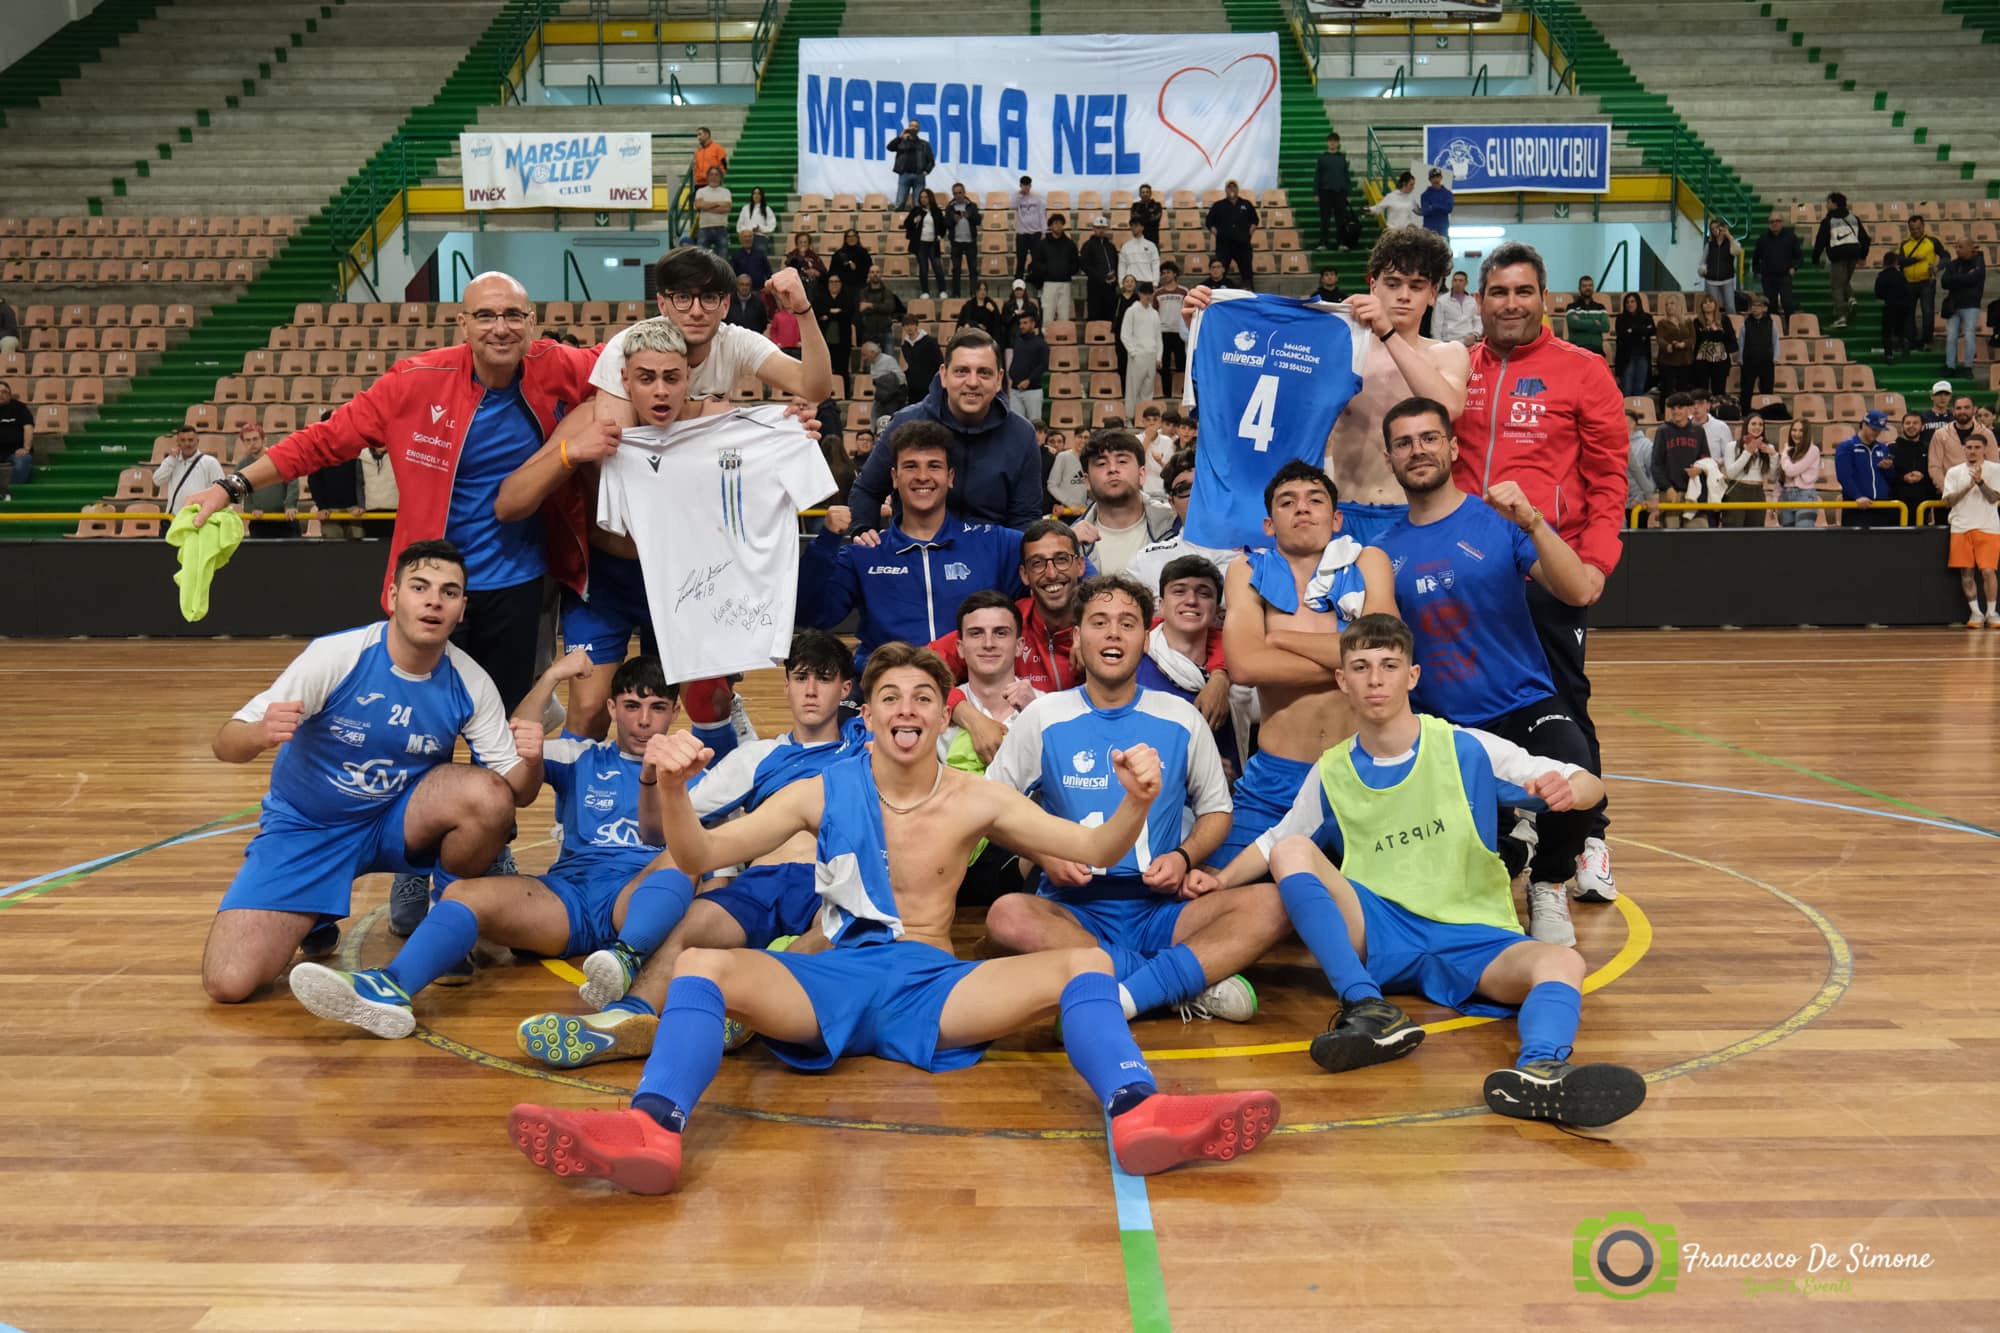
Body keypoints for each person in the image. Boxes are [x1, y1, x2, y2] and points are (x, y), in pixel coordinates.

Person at [507, 644, 1281, 1193]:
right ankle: (653, 1128)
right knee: (701, 964)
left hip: (929, 984)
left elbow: (1091, 844)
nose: (905, 710)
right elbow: (700, 849)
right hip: (833, 975)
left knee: (1087, 964)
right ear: (866, 713)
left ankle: (1139, 1114)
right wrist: (672, 789)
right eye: (888, 697)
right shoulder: (822, 786)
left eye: (920, 697)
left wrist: (1140, 801)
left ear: (941, 714)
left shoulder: (975, 795)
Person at [1256, 615, 1641, 1128]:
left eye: (1389, 666)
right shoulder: (1332, 769)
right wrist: (1204, 875)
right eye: (1362, 667)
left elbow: (1580, 779)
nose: (1376, 679)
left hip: (1473, 936)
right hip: (1381, 928)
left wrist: (1574, 791)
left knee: (1563, 964)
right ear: (1342, 680)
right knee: (1292, 852)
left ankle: (1540, 1071)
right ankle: (1369, 1010)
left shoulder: (1466, 747)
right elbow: (1274, 843)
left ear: (1412, 676)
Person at [288, 649, 692, 1037]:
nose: (643, 721)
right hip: (569, 898)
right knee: (463, 892)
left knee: (684, 859)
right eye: (631, 706)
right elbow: (516, 737)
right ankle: (391, 987)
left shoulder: (696, 765)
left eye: (657, 707)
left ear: (675, 712)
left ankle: (627, 955)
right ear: (610, 709)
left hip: (638, 893)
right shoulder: (579, 755)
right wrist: (551, 676)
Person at [200, 541, 539, 1003]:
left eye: (449, 592)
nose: (434, 601)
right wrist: (259, 733)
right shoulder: (337, 656)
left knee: (489, 797)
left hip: (399, 818)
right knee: (229, 983)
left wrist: (533, 758)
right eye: (420, 587)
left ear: (462, 610)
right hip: (309, 826)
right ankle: (315, 912)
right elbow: (226, 743)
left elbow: (516, 791)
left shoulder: (470, 680)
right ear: (393, 595)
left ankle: (442, 919)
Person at [515, 632, 864, 1067]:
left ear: (846, 690)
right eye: (801, 678)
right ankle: (626, 1017)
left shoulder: (867, 747)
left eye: (825, 679)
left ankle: (751, 1000)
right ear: (786, 686)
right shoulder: (756, 758)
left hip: (832, 881)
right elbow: (661, 832)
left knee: (839, 932)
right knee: (693, 928)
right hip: (764, 881)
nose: (811, 691)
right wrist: (656, 780)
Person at [1350, 396, 1607, 945]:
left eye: (1428, 438)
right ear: (1389, 459)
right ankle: (1510, 846)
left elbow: (1578, 588)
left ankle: (1550, 882)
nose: (1417, 450)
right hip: (1445, 722)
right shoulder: (1382, 550)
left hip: (1524, 701)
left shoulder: (1499, 521)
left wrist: (1534, 522)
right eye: (1403, 443)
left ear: (1452, 446)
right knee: (1464, 859)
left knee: (1578, 769)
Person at [984, 573, 1281, 1024]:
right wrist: (1044, 855)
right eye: (1099, 622)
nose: (1113, 634)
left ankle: (1122, 990)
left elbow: (1217, 812)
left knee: (1274, 903)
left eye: (1127, 623)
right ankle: (1177, 983)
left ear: (1147, 638)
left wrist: (1184, 857)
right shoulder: (1044, 715)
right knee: (1006, 916)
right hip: (1073, 910)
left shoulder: (1180, 716)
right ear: (1078, 639)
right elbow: (991, 807)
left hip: (1162, 907)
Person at [1455, 241, 1626, 901]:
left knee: (1565, 705)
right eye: (1498, 292)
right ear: (1480, 299)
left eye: (1523, 291)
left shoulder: (1582, 371)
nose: (1511, 303)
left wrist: (1595, 561)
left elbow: (1611, 477)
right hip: (1472, 576)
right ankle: (1502, 833)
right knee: (1472, 706)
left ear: (1544, 298)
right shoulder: (1457, 369)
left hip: (1550, 570)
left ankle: (1588, 840)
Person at [1209, 461, 1395, 872]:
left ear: (1336, 517)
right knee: (1210, 890)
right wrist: (1355, 664)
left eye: (1315, 500)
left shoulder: (1369, 562)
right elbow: (1244, 666)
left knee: (1398, 907)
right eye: (1287, 502)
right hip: (1275, 781)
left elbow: (1389, 649)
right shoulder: (1247, 570)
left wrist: (1280, 640)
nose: (1302, 509)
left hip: (1365, 772)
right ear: (1269, 524)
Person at [803, 420, 1031, 676]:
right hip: (888, 699)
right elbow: (812, 616)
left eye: (934, 466)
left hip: (973, 696)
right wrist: (826, 541)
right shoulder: (866, 553)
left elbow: (1062, 570)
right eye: (911, 466)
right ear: (894, 477)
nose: (922, 476)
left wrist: (1068, 538)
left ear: (950, 477)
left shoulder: (995, 544)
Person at [848, 328, 1043, 533]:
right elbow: (867, 490)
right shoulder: (905, 423)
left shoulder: (1022, 435)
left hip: (992, 557)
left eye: (984, 372)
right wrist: (862, 532)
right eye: (962, 371)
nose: (973, 382)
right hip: (916, 556)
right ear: (943, 375)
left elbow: (1026, 518)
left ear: (999, 380)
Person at [931, 521, 1090, 756]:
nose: (1052, 573)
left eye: (1062, 559)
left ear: (1080, 565)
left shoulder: (1103, 624)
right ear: (1024, 575)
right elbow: (918, 667)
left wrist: (1094, 637)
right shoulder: (1004, 623)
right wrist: (967, 714)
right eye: (1038, 563)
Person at [1137, 553, 1240, 773]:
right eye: (1179, 591)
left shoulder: (1241, 678)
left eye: (1204, 593)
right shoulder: (1132, 661)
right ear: (1161, 606)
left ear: (1217, 612)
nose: (1191, 600)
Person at [1070, 429, 1178, 576]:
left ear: (1142, 474)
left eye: (1122, 461)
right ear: (1087, 481)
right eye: (1101, 463)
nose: (1112, 469)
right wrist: (1067, 547)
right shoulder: (1070, 541)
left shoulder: (1175, 526)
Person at [1942, 435, 2000, 626]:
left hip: (1988, 526)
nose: (1972, 451)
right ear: (1963, 449)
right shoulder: (1953, 472)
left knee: (1988, 571)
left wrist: (1981, 483)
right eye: (1969, 447)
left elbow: (1994, 498)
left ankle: (1992, 613)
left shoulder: (1996, 469)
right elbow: (1949, 501)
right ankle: (1975, 612)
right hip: (1960, 526)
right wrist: (1969, 486)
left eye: (1977, 447)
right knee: (1966, 573)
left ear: (1985, 449)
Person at [1926, 394, 1998, 513]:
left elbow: (1994, 465)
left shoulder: (1987, 434)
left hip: (1981, 497)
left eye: (1966, 407)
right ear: (1953, 411)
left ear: (1974, 409)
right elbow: (1934, 467)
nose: (1962, 411)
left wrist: (1986, 489)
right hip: (1951, 499)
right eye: (1959, 408)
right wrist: (1947, 492)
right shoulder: (1940, 434)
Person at [1812, 192, 1871, 329]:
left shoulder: (1829, 221)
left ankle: (1841, 316)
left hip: (1838, 255)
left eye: (1828, 202)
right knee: (1844, 280)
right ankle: (1851, 299)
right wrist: (1863, 256)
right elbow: (1866, 239)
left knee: (1837, 286)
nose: (1826, 205)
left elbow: (1820, 241)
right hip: (1854, 254)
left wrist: (1815, 258)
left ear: (1834, 203)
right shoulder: (1854, 218)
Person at [229, 422, 298, 538]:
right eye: (248, 440)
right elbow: (240, 492)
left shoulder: (279, 457)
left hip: (286, 519)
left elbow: (292, 482)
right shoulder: (241, 466)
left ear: (263, 439)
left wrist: (290, 505)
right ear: (243, 443)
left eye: (255, 439)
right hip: (259, 522)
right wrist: (251, 509)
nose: (252, 443)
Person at [1649, 393, 1707, 529]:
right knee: (1672, 539)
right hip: (1670, 493)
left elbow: (1706, 458)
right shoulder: (1663, 431)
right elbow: (1656, 464)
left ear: (1689, 409)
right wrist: (1667, 488)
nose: (1676, 411)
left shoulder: (1698, 431)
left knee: (1697, 535)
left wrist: (1699, 469)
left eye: (1680, 408)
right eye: (1673, 408)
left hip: (1694, 493)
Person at [1835, 409, 1898, 528]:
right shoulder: (1847, 447)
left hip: (1881, 506)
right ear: (1864, 425)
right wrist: (1857, 496)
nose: (1876, 433)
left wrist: (1888, 468)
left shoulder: (1883, 448)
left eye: (1879, 430)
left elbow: (1891, 477)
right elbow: (1844, 476)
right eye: (1874, 429)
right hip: (1856, 507)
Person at [1897, 215, 1947, 351]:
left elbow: (1946, 256)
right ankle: (1912, 340)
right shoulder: (1904, 244)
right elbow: (1900, 262)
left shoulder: (1932, 241)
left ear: (1923, 226)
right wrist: (1915, 259)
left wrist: (1938, 267)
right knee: (1908, 313)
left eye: (1918, 228)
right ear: (1909, 229)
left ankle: (1926, 340)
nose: (1915, 231)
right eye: (1912, 229)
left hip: (1927, 282)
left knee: (1928, 312)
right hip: (1909, 283)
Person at [1941, 235, 1987, 376]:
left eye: (1960, 247)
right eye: (1956, 247)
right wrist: (1963, 278)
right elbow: (1944, 282)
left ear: (1969, 247)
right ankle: (1950, 366)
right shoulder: (1953, 264)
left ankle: (1968, 366)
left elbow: (1973, 278)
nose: (1957, 250)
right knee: (1951, 336)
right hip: (1954, 306)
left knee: (1969, 336)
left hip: (1971, 305)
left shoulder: (1978, 263)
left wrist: (1956, 279)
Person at [1721, 413, 1776, 527]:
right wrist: (1748, 452)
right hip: (1737, 491)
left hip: (1758, 492)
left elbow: (1771, 476)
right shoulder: (1732, 446)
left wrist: (1774, 456)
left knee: (1754, 534)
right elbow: (1731, 473)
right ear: (1746, 426)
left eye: (1760, 424)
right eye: (1754, 424)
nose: (1757, 427)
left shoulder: (1768, 447)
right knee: (1734, 532)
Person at [1750, 210, 1802, 332]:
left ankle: (1791, 330)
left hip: (1785, 276)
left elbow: (1799, 257)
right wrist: (1758, 271)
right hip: (1768, 277)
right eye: (1772, 221)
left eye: (1777, 221)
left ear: (1782, 222)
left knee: (1788, 304)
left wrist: (1794, 268)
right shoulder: (1762, 239)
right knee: (1770, 305)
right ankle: (1773, 330)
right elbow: (1755, 258)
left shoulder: (1791, 237)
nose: (1774, 224)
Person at [155, 424, 224, 515]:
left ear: (197, 441)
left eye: (190, 440)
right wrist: (171, 459)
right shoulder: (171, 461)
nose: (187, 444)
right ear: (177, 443)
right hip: (174, 518)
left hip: (198, 517)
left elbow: (220, 490)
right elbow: (157, 480)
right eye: (183, 440)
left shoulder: (210, 462)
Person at [1204, 181, 1259, 292]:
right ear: (1226, 190)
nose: (1232, 189)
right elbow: (1209, 222)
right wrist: (1218, 234)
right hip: (1224, 246)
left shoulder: (1246, 204)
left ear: (1238, 189)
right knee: (1220, 272)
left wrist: (1249, 234)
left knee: (1247, 272)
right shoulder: (1218, 205)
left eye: (1234, 187)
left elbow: (1255, 220)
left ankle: (1249, 295)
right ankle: (1221, 293)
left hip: (1242, 245)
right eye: (1229, 187)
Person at [1889, 411, 1939, 528]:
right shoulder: (1891, 448)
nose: (1911, 426)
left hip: (1923, 506)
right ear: (1902, 427)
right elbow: (1887, 476)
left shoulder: (1930, 449)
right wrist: (1903, 478)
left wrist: (1923, 477)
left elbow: (1935, 472)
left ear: (1922, 427)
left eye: (1915, 423)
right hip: (1896, 507)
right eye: (1908, 423)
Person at [1120, 283, 1162, 422]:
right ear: (1139, 294)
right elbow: (1125, 334)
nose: (1147, 296)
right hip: (1137, 356)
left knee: (1148, 390)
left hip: (1151, 355)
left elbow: (1158, 337)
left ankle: (1144, 419)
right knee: (1133, 388)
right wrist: (1133, 352)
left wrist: (1158, 357)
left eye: (1150, 293)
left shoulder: (1154, 313)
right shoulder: (1131, 311)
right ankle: (1130, 417)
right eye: (1145, 293)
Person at [1030, 213, 1081, 325]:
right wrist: (1047, 270)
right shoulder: (1043, 244)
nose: (1058, 226)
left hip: (1065, 283)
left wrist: (1067, 271)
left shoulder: (1070, 244)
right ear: (1050, 226)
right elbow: (1036, 263)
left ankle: (1063, 340)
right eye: (1055, 223)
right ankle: (1046, 339)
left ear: (1063, 225)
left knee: (1064, 315)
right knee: (1048, 314)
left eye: (1060, 223)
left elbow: (1076, 263)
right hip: (1049, 283)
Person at [1775, 419, 1822, 528]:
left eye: (1801, 431)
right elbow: (1781, 478)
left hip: (1805, 497)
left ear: (1806, 433)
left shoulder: (1813, 450)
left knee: (1802, 539)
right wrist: (1775, 500)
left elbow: (1791, 471)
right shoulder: (1789, 451)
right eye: (1794, 430)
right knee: (1788, 540)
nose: (1797, 434)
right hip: (1786, 497)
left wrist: (1784, 453)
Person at [1315, 133, 1357, 249]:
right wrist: (1316, 193)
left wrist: (1348, 193)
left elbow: (1346, 176)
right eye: (1330, 141)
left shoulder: (1342, 158)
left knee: (1341, 220)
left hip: (1340, 193)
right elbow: (1317, 176)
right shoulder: (1322, 158)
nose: (1332, 143)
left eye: (1335, 141)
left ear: (1338, 143)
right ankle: (1323, 243)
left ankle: (1341, 243)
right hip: (1325, 192)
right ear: (1327, 143)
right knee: (1325, 219)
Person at [1691, 294, 1737, 401]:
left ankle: (1718, 411)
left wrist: (1713, 336)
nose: (1708, 304)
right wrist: (1716, 334)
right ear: (1701, 306)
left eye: (1710, 302)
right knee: (1701, 392)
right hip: (1702, 361)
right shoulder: (1697, 322)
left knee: (1719, 391)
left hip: (1720, 360)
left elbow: (1731, 340)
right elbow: (1698, 341)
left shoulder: (1725, 320)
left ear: (1715, 304)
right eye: (1705, 302)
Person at [1154, 261, 1190, 397]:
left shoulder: (1184, 291)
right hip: (1163, 333)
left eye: (1168, 272)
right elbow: (1154, 312)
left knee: (1182, 365)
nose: (1165, 275)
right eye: (1163, 273)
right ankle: (1167, 393)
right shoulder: (1158, 293)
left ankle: (1182, 392)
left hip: (1179, 332)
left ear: (1175, 273)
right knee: (1164, 366)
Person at [1874, 250, 1916, 363]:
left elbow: (1878, 293)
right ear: (1895, 262)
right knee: (1900, 329)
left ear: (1884, 262)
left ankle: (1889, 355)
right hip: (1905, 306)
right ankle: (1904, 342)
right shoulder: (1901, 275)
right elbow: (1908, 291)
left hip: (1891, 305)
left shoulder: (1882, 275)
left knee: (1887, 331)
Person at [1008, 309, 1048, 423]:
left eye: (1025, 323)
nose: (1022, 326)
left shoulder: (1041, 344)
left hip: (1033, 391)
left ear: (1033, 324)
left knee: (1034, 425)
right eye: (1020, 323)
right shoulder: (1018, 341)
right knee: (1016, 425)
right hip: (1015, 390)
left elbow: (1043, 365)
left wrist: (1029, 380)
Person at [814, 272, 856, 380]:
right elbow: (817, 313)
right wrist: (836, 312)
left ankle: (844, 393)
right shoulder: (820, 299)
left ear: (841, 284)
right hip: (825, 339)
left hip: (842, 340)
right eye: (831, 282)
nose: (834, 284)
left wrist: (828, 314)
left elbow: (847, 315)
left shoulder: (848, 298)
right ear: (828, 284)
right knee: (825, 368)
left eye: (836, 282)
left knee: (842, 368)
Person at [942, 182, 980, 299]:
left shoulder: (972, 206)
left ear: (964, 193)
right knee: (956, 269)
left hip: (970, 242)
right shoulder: (949, 207)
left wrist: (970, 216)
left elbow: (978, 221)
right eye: (955, 193)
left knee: (973, 269)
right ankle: (956, 293)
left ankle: (974, 293)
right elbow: (946, 224)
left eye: (960, 193)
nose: (958, 195)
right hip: (956, 243)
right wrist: (953, 220)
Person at [1080, 216, 1121, 325]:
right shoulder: (1088, 245)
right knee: (1095, 315)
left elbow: (1116, 263)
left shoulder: (1111, 246)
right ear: (1094, 228)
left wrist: (1114, 279)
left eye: (1103, 228)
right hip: (1095, 287)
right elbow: (1085, 265)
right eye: (1098, 227)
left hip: (1110, 287)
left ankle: (1109, 340)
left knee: (1110, 315)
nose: (1101, 230)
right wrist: (1101, 277)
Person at [1739, 292, 1779, 402]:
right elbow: (1741, 341)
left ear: (1765, 308)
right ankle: (1745, 412)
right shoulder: (1746, 323)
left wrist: (1775, 357)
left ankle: (1766, 412)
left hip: (1766, 361)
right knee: (1746, 389)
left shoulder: (1771, 323)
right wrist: (1740, 358)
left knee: (1767, 389)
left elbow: (1775, 340)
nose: (1755, 308)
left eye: (1758, 306)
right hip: (1749, 360)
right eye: (1753, 305)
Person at [1613, 293, 1655, 397]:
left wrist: (1632, 330)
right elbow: (1622, 337)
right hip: (1627, 359)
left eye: (1632, 301)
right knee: (1627, 389)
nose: (1629, 304)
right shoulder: (1620, 319)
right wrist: (1641, 331)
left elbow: (1652, 331)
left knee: (1639, 389)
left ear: (1638, 303)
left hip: (1643, 357)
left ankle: (1638, 413)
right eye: (1627, 302)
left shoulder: (1647, 317)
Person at [1653, 293, 1694, 396]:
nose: (1669, 306)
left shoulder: (1688, 322)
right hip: (1667, 361)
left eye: (1672, 303)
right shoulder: (1662, 323)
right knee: (1667, 391)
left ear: (1679, 306)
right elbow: (1660, 339)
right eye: (1666, 304)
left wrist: (1683, 344)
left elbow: (1692, 338)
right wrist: (1667, 346)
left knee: (1683, 391)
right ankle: (1664, 412)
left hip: (1684, 361)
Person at [888, 118, 933, 211]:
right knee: (900, 203)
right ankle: (899, 223)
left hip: (919, 176)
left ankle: (918, 224)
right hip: (904, 175)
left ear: (919, 129)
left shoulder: (924, 144)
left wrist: (926, 171)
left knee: (918, 205)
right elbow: (889, 147)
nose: (913, 128)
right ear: (908, 127)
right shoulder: (901, 142)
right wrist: (900, 136)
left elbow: (931, 161)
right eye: (911, 126)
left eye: (915, 126)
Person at [1700, 217, 1741, 312]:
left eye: (1717, 227)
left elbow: (1737, 251)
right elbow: (1703, 261)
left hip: (1727, 280)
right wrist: (1703, 269)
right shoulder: (1709, 245)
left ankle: (1732, 325)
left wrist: (1729, 236)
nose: (1715, 230)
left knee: (1730, 307)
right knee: (1713, 308)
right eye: (1712, 229)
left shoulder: (1730, 243)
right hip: (1711, 281)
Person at [899, 311, 943, 402]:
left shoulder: (929, 342)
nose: (909, 327)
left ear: (916, 325)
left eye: (911, 324)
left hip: (929, 385)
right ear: (903, 327)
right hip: (914, 388)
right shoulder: (905, 346)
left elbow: (939, 361)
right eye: (906, 325)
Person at [0, 379, 34, 495]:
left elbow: (28, 427)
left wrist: (26, 448)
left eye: (4, 392)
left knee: (24, 460)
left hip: (15, 452)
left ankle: (12, 493)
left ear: (10, 394)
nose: (1, 394)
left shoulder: (19, 407)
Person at [1562, 278, 1609, 361]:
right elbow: (1573, 324)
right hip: (1577, 350)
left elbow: (1605, 327)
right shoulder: (1571, 307)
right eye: (1584, 286)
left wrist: (1581, 322)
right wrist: (1594, 322)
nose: (1588, 288)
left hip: (1596, 351)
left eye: (1590, 285)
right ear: (1579, 289)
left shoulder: (1600, 307)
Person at [1625, 408, 1656, 527]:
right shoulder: (1613, 442)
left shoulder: (1646, 445)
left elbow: (1650, 475)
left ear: (1633, 423)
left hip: (1638, 503)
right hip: (1618, 502)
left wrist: (1642, 497)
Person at [1011, 175, 1046, 282]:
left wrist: (1044, 232)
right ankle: (1018, 281)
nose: (1026, 188)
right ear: (1020, 186)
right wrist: (1020, 196)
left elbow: (1042, 215)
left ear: (1030, 186)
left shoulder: (1037, 198)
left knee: (1037, 259)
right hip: (1022, 234)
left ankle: (1037, 280)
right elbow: (1012, 206)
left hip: (1036, 233)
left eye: (1028, 185)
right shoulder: (1017, 197)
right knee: (1021, 259)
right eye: (1023, 185)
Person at [1045, 427, 1087, 514]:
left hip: (1083, 511)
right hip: (1065, 511)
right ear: (1074, 438)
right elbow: (1052, 485)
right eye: (1080, 437)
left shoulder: (1091, 458)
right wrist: (1069, 503)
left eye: (1086, 437)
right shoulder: (1063, 456)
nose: (1083, 440)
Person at [1433, 271, 1481, 345]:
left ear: (1466, 283)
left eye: (1461, 280)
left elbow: (1477, 320)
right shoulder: (1442, 300)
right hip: (1449, 342)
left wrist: (1475, 335)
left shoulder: (1472, 301)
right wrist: (1439, 345)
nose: (1457, 283)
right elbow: (1436, 325)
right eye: (1455, 280)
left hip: (1468, 342)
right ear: (1452, 282)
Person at [693, 167, 732, 257]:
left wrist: (706, 207)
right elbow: (698, 205)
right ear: (707, 177)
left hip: (721, 228)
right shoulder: (701, 191)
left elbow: (727, 208)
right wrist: (718, 203)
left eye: (716, 174)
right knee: (702, 257)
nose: (713, 177)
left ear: (720, 177)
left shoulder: (726, 192)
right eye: (711, 174)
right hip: (704, 228)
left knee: (722, 257)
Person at [1118, 217, 1160, 291]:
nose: (1133, 228)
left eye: (1136, 225)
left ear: (1142, 227)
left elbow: (1155, 265)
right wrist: (1121, 284)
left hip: (1147, 282)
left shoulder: (1151, 245)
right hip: (1131, 284)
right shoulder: (1126, 246)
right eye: (1132, 225)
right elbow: (1122, 266)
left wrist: (1155, 283)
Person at [955, 279, 1001, 343]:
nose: (983, 292)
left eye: (984, 289)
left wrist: (993, 311)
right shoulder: (969, 305)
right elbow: (962, 321)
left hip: (987, 335)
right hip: (972, 333)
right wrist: (977, 325)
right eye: (980, 289)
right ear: (976, 291)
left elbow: (998, 321)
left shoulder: (991, 303)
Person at [735, 186, 777, 255]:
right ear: (752, 195)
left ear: (761, 196)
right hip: (747, 237)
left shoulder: (766, 209)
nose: (756, 195)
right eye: (754, 193)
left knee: (759, 254)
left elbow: (772, 225)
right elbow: (739, 225)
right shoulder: (745, 208)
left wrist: (760, 229)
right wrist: (748, 231)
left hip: (760, 236)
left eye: (758, 194)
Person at [829, 227, 872, 294]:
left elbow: (869, 269)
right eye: (849, 236)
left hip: (860, 286)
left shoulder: (864, 253)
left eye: (853, 236)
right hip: (842, 287)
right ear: (845, 239)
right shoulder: (838, 254)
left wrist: (857, 268)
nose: (851, 238)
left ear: (857, 238)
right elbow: (832, 271)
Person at [1418, 168, 1453, 236]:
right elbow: (1425, 210)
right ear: (1430, 180)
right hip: (1428, 230)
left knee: (1443, 246)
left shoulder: (1447, 193)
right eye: (1433, 178)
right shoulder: (1425, 195)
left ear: (1441, 178)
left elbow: (1449, 209)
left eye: (1437, 177)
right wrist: (1441, 206)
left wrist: (1433, 206)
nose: (1436, 180)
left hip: (1443, 230)